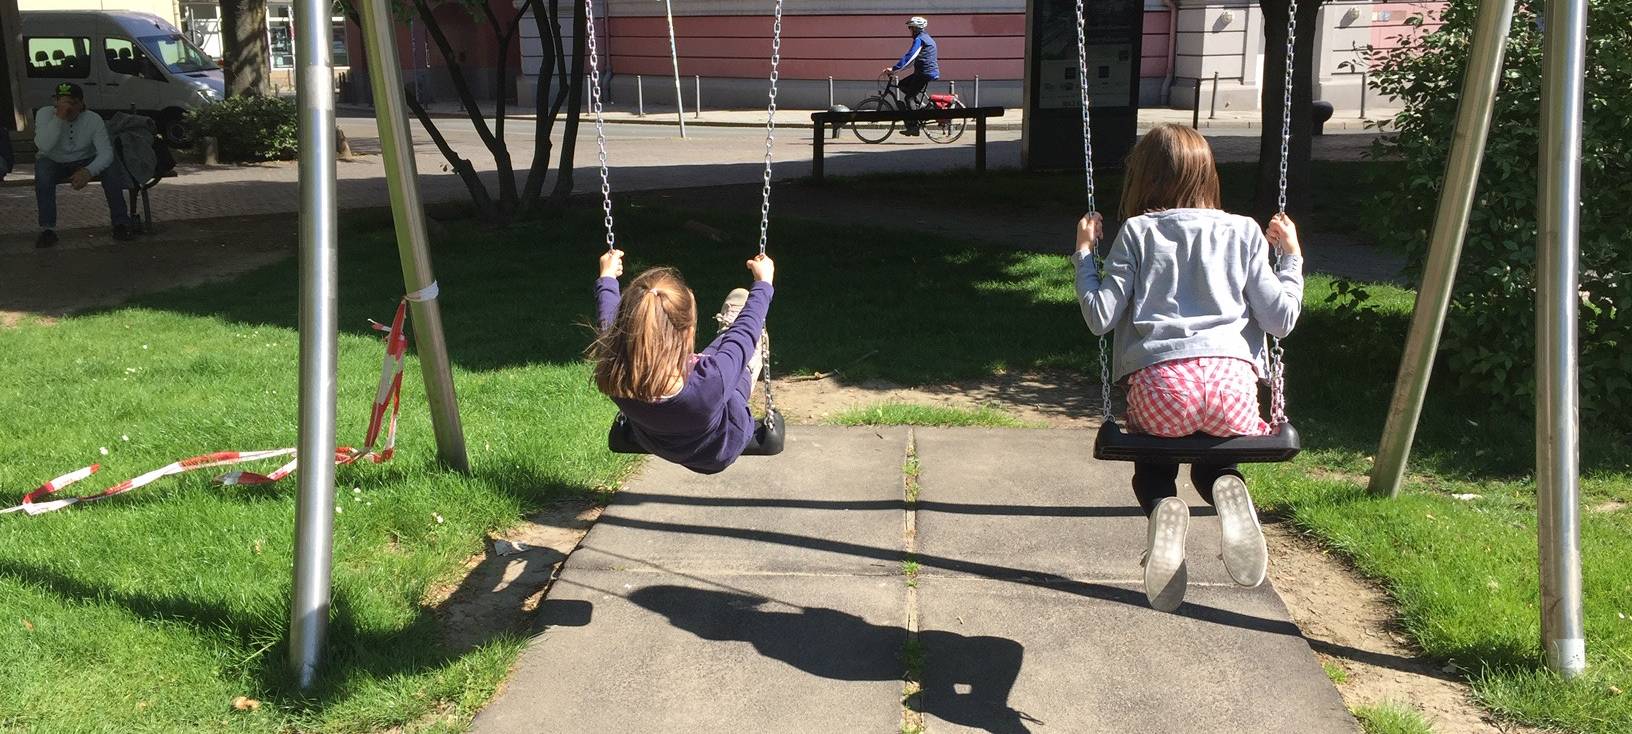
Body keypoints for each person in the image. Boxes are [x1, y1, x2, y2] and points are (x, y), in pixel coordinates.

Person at [1071, 123, 1305, 613]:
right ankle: (1228, 490)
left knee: (1153, 466)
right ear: (1208, 175)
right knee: (1215, 458)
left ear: (1144, 179)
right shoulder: (1244, 231)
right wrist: (1291, 257)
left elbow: (1100, 317)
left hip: (1162, 388)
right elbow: (1280, 321)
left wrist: (1085, 254)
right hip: (1233, 391)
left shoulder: (1136, 233)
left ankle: (1162, 507)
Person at [591, 250, 775, 475]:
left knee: (720, 360)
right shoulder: (710, 379)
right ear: (689, 333)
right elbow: (745, 333)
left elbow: (608, 321)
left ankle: (726, 337)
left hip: (657, 442)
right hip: (721, 447)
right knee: (737, 363)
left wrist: (608, 278)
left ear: (623, 332)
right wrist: (763, 283)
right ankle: (734, 342)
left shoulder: (615, 368)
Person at [33, 82, 134, 248]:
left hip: (85, 159)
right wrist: (59, 118)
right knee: (43, 173)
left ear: (81, 104)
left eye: (72, 103)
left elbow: (105, 153)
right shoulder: (45, 114)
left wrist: (88, 171)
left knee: (111, 168)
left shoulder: (93, 119)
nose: (67, 108)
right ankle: (47, 229)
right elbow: (44, 146)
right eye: (61, 102)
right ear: (55, 102)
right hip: (53, 159)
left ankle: (121, 223)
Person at [882, 16, 940, 136]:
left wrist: (894, 68)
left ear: (917, 29)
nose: (910, 31)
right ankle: (919, 107)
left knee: (909, 98)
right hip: (924, 72)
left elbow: (910, 56)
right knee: (902, 84)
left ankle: (913, 127)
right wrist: (897, 70)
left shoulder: (920, 39)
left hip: (924, 73)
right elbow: (913, 61)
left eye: (911, 28)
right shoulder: (926, 38)